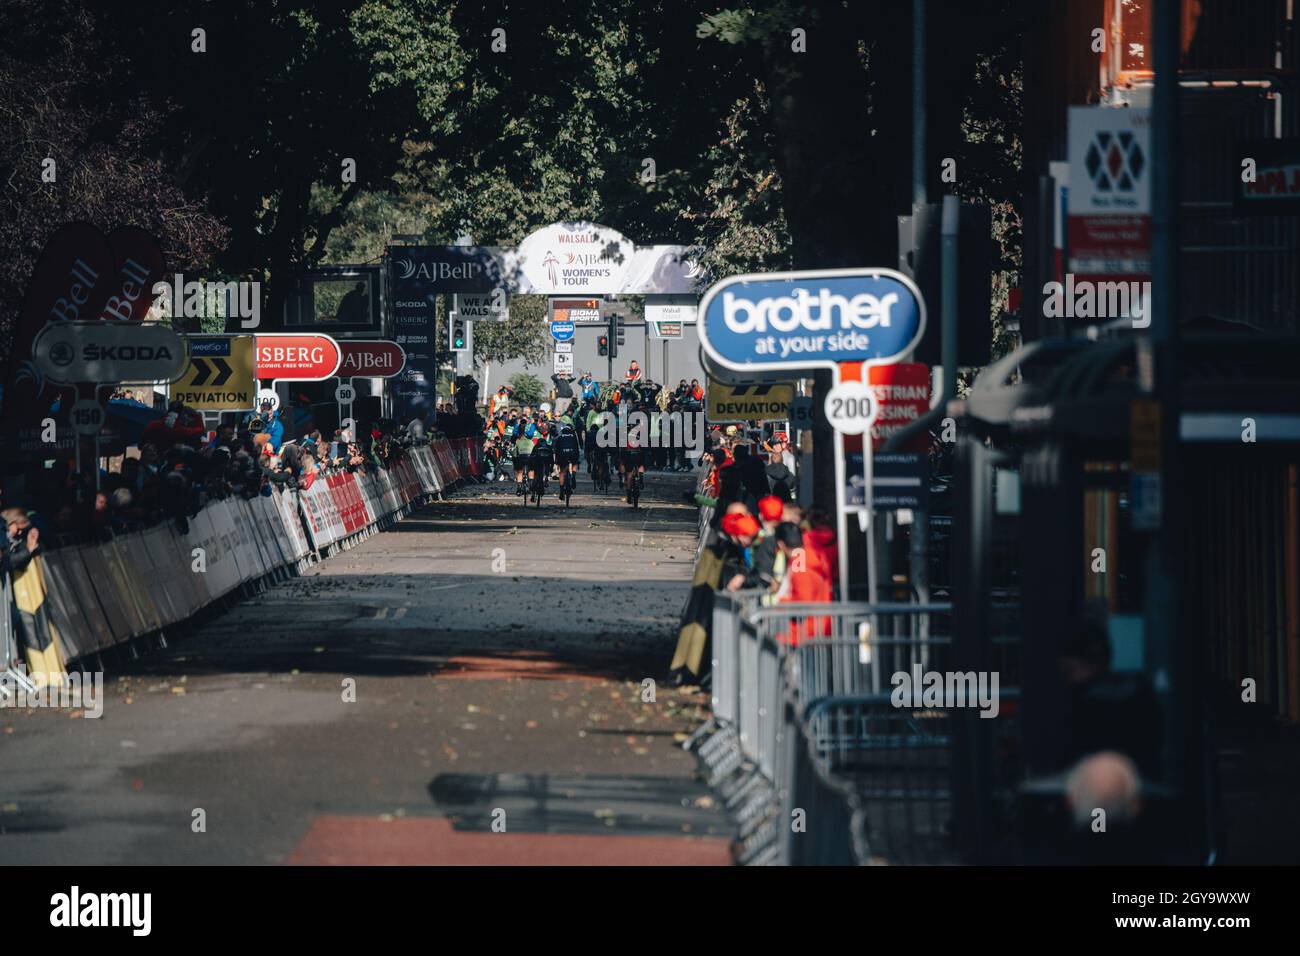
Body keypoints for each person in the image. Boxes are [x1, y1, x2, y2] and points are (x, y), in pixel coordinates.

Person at [553, 423, 581, 493]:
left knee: (562, 472)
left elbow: (557, 450)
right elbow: (577, 448)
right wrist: (577, 460)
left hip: (563, 454)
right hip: (572, 453)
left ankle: (562, 490)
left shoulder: (560, 437)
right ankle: (573, 475)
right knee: (574, 463)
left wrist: (556, 461)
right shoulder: (573, 437)